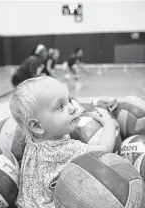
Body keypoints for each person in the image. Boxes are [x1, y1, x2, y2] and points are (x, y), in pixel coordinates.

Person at [9, 76, 117, 208]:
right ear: (37, 126)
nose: (72, 108)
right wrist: (109, 125)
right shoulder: (63, 149)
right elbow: (105, 149)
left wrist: (95, 103)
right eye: (60, 106)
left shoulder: (32, 138)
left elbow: (69, 109)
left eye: (70, 100)